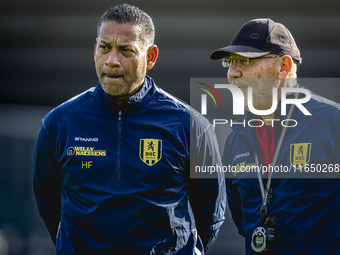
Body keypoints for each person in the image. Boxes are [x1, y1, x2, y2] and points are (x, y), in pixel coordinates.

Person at [33, 4, 225, 255]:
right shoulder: (58, 122)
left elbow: (211, 214)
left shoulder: (190, 125)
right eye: (105, 48)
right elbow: (48, 206)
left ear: (151, 56)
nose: (112, 61)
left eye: (126, 50)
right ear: (95, 50)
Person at [210, 18, 340, 254]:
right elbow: (243, 221)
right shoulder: (235, 139)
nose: (232, 73)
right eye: (230, 62)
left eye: (245, 61)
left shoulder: (333, 122)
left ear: (283, 67)